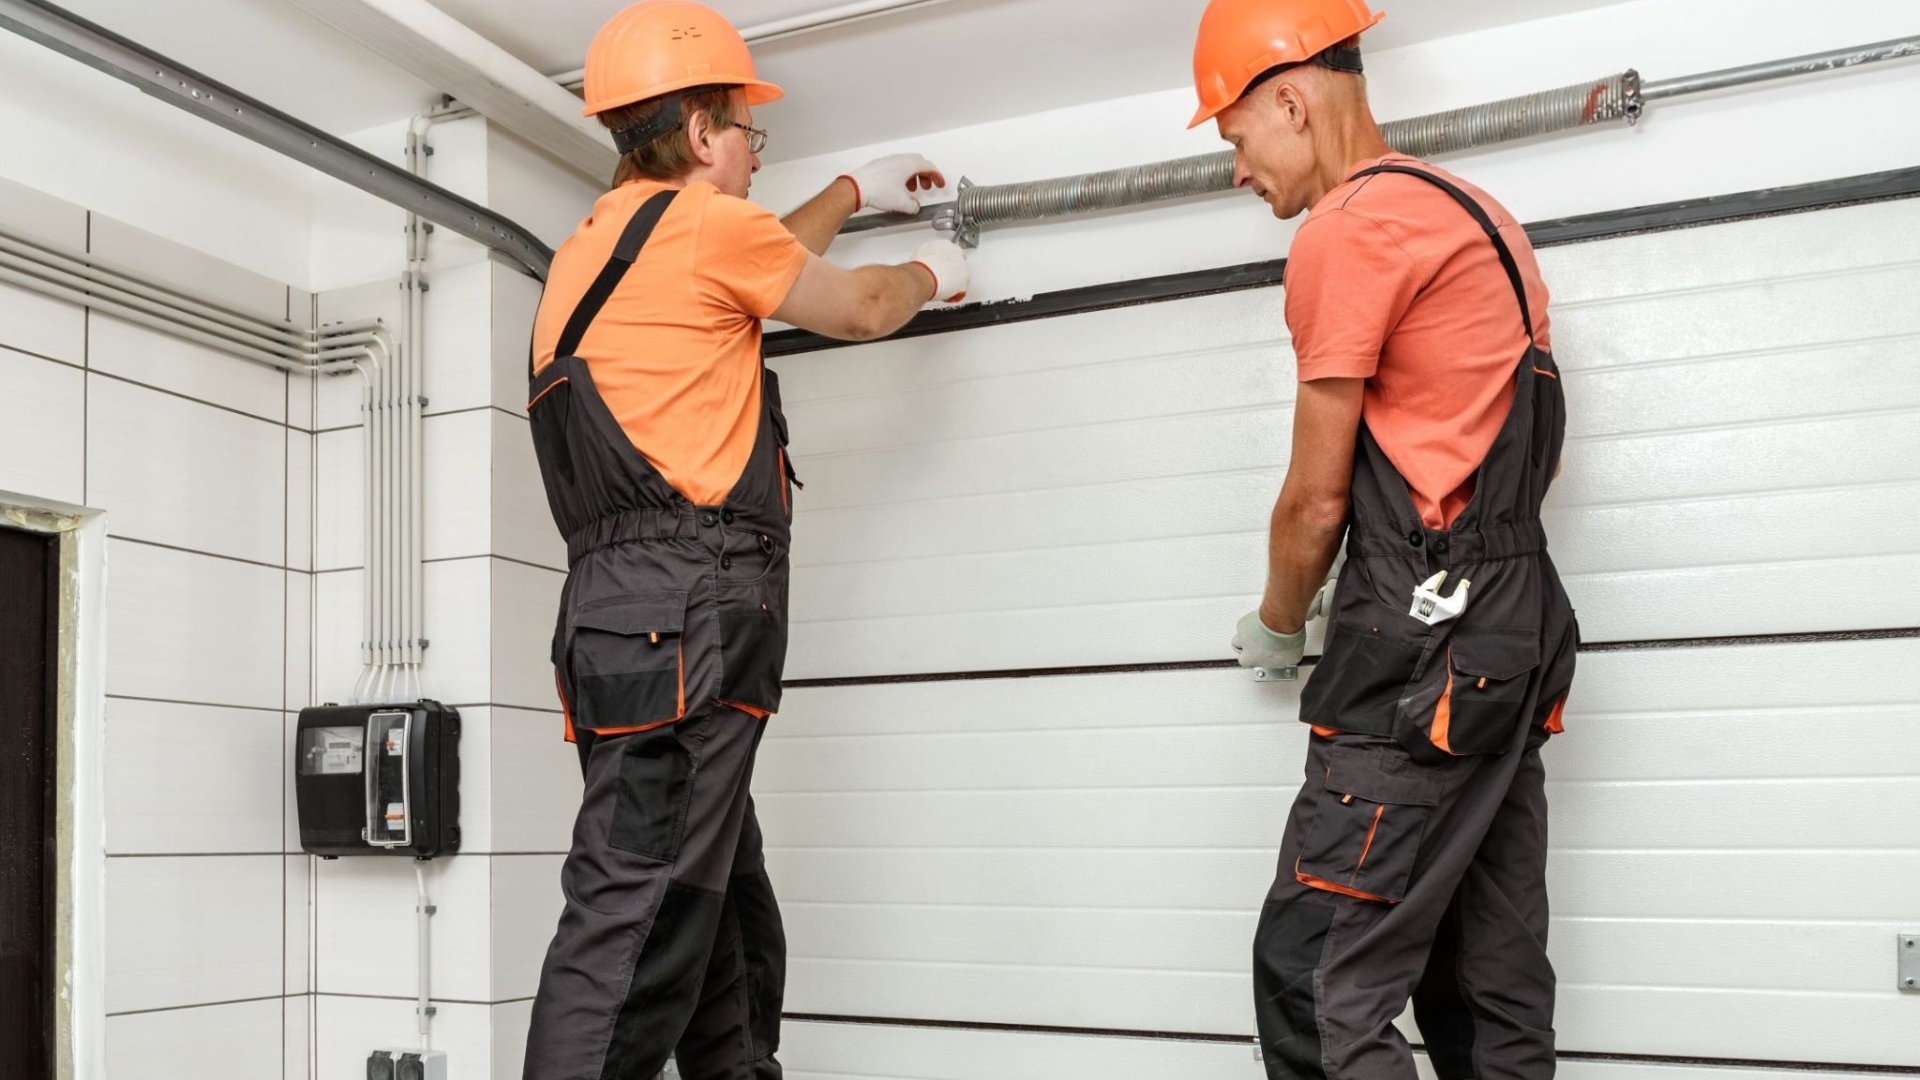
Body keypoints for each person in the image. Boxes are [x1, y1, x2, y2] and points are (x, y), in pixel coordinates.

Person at [520, 3, 969, 1077]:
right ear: (704, 135)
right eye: (750, 135)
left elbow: (760, 270)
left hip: (622, 620)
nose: (757, 158)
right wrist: (928, 277)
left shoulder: (598, 251)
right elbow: (853, 306)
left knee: (720, 907)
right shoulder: (704, 230)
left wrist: (854, 192)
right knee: (638, 917)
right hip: (688, 605)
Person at [1195, 0, 1580, 1076]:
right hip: (1512, 626)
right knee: (1485, 979)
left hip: (1425, 640)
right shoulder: (1475, 211)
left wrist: (1279, 624)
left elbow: (1315, 501)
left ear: (1289, 101)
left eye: (1236, 142)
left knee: (1314, 979)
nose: (1239, 171)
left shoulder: (1350, 229)